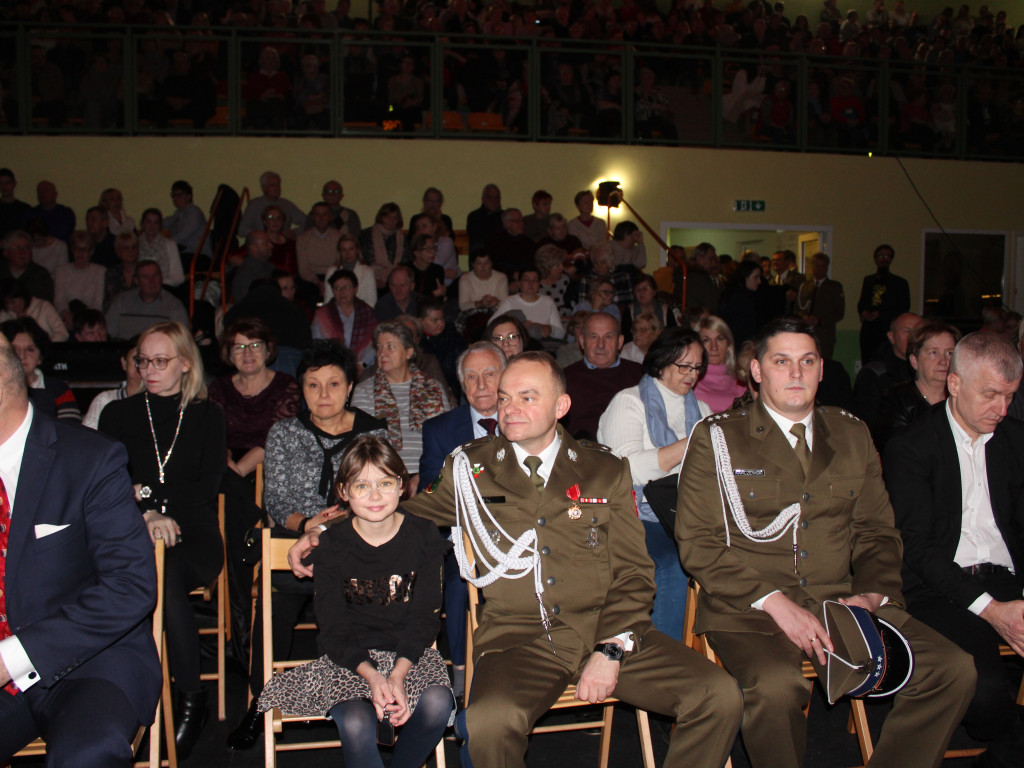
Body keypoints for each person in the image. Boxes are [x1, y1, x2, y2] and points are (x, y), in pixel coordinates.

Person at [290, 351, 744, 767]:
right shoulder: (471, 467)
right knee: (488, 721)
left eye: (527, 397)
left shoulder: (603, 469)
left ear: (560, 406)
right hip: (518, 638)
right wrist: (323, 532)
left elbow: (634, 574)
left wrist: (610, 649)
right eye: (505, 397)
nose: (509, 408)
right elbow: (404, 512)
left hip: (606, 629)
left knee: (718, 695)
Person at [676, 316, 976, 768]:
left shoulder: (851, 434)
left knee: (953, 670)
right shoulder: (718, 438)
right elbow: (698, 544)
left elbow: (877, 531)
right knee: (777, 687)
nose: (795, 373)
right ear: (757, 371)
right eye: (781, 361)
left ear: (821, 370)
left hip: (841, 601)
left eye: (807, 361)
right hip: (752, 608)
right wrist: (776, 603)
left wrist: (871, 595)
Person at [0, 329, 160, 767]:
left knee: (86, 755)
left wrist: (12, 656)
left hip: (90, 662)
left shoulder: (90, 458)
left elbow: (130, 586)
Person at [226, 340, 386, 750]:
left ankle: (361, 699)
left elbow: (381, 493)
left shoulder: (373, 431)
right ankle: (261, 703)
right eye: (313, 386)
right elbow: (275, 498)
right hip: (294, 539)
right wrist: (306, 525)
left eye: (334, 384)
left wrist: (331, 526)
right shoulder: (284, 432)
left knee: (363, 598)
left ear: (350, 386)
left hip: (357, 538)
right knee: (274, 610)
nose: (324, 394)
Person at [258, 434, 454, 768]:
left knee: (438, 703)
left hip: (409, 653)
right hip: (349, 658)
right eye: (361, 486)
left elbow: (425, 619)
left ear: (402, 486)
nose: (375, 495)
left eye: (385, 483)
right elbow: (333, 629)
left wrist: (397, 676)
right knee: (355, 721)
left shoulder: (423, 536)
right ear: (344, 492)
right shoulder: (331, 546)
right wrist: (376, 678)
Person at [884, 332, 1024, 767]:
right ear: (956, 383)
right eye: (991, 395)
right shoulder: (911, 447)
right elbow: (920, 550)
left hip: (1007, 579)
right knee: (983, 694)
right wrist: (993, 611)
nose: (1002, 409)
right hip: (939, 586)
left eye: (1011, 396)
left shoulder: (1017, 440)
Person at [98, 321, 226, 759]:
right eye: (142, 360)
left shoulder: (209, 416)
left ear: (185, 364)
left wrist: (147, 492)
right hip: (132, 531)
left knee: (166, 571)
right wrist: (145, 511)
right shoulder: (118, 414)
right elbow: (104, 486)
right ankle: (115, 695)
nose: (148, 369)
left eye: (160, 360)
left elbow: (205, 488)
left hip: (195, 533)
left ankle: (190, 697)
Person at [597, 327, 712, 641]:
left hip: (684, 513)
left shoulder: (701, 410)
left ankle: (708, 650)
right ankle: (664, 654)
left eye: (698, 367)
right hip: (634, 514)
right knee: (672, 562)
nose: (692, 374)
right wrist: (693, 442)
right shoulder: (629, 402)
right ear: (661, 362)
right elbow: (629, 468)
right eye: (683, 366)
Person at [419, 341, 507, 700]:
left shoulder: (526, 419)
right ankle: (460, 673)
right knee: (459, 578)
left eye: (489, 374)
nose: (482, 384)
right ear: (461, 385)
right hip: (465, 535)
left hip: (525, 535)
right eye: (472, 376)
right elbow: (431, 492)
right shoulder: (440, 430)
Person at [351, 322, 450, 494]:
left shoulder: (433, 388)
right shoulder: (364, 391)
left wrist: (422, 476)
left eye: (390, 347)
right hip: (382, 475)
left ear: (409, 352)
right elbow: (361, 445)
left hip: (429, 472)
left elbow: (447, 439)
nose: (383, 353)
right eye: (380, 347)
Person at [876, 321, 960, 449]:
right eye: (933, 353)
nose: (943, 361)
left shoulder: (962, 398)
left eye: (949, 353)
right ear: (914, 361)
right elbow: (896, 449)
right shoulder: (897, 399)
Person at [562, 312, 643, 440]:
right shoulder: (563, 379)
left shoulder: (640, 375)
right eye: (594, 337)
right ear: (582, 341)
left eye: (608, 337)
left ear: (620, 342)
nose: (601, 345)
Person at [853, 312, 923, 444]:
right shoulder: (875, 374)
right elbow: (865, 425)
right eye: (907, 331)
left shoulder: (931, 372)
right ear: (892, 337)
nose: (914, 337)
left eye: (919, 332)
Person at [1, 317, 79, 422]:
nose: (22, 356)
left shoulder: (58, 389)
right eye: (15, 350)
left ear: (40, 357)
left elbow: (70, 431)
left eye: (30, 350)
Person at [105, 260, 190, 340]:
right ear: (136, 281)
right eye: (145, 277)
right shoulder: (121, 301)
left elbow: (181, 340)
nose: (152, 281)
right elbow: (108, 334)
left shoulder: (174, 305)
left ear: (161, 278)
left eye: (155, 275)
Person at [857, 244, 911, 363]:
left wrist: (881, 314)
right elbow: (862, 303)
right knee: (868, 362)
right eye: (881, 256)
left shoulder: (899, 283)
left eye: (887, 256)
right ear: (875, 259)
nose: (884, 259)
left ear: (891, 259)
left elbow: (903, 308)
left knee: (887, 363)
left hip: (887, 331)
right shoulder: (869, 280)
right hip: (869, 331)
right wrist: (864, 313)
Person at [312, 268, 378, 365]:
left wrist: (361, 366)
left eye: (346, 287)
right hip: (331, 366)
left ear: (355, 289)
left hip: (364, 368)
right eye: (337, 288)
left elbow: (373, 347)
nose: (342, 292)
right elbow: (318, 346)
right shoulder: (322, 314)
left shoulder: (368, 314)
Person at [83, 337, 144, 429]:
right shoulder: (105, 400)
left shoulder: (161, 401)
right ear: (124, 363)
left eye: (146, 360)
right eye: (137, 359)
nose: (141, 365)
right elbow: (89, 437)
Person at [492, 267, 564, 341]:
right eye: (526, 279)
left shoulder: (548, 301)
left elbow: (561, 333)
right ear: (519, 283)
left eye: (535, 280)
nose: (531, 283)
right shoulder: (509, 302)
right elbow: (491, 325)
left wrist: (549, 329)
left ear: (539, 284)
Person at [797, 252, 845, 360]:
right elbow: (798, 308)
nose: (820, 268)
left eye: (823, 265)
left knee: (824, 365)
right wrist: (803, 318)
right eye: (817, 265)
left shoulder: (834, 287)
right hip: (806, 333)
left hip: (824, 335)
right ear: (812, 267)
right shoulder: (805, 286)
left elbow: (839, 313)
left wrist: (819, 320)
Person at [694, 315, 746, 413]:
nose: (714, 347)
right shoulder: (689, 379)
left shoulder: (741, 380)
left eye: (719, 339)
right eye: (706, 340)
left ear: (728, 345)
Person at [54, 230, 106, 327]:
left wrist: (82, 320)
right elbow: (59, 300)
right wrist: (67, 315)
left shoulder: (100, 271)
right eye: (77, 248)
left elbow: (98, 303)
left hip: (90, 320)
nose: (80, 253)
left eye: (84, 249)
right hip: (66, 320)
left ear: (91, 251)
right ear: (72, 249)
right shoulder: (61, 271)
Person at [238, 171, 306, 238]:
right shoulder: (255, 205)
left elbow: (308, 222)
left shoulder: (287, 205)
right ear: (264, 188)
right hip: (261, 245)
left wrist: (294, 232)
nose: (276, 188)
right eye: (272, 185)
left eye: (278, 185)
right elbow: (242, 230)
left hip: (282, 244)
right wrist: (263, 235)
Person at [1, 230, 54, 305]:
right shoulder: (2, 272)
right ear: (6, 253)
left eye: (26, 248)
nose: (22, 252)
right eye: (16, 248)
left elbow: (45, 305)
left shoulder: (41, 274)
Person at [164, 180, 212, 261]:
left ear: (189, 196)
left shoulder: (194, 212)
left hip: (198, 255)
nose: (175, 198)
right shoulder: (177, 215)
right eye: (173, 195)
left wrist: (164, 244)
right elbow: (161, 224)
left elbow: (183, 235)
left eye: (179, 195)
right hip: (185, 254)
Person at [360, 203, 404, 290]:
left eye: (395, 218)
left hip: (395, 279)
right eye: (387, 217)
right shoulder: (366, 234)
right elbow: (363, 261)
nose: (391, 221)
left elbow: (404, 262)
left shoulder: (401, 237)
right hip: (370, 277)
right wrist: (375, 279)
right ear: (381, 217)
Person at [137, 208, 186, 289]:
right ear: (142, 224)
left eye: (156, 222)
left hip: (164, 287)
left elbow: (179, 277)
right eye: (148, 221)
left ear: (160, 226)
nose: (151, 226)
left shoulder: (170, 245)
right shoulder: (135, 245)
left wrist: (157, 282)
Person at [466, 184, 503, 255]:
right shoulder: (474, 216)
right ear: (483, 199)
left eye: (497, 197)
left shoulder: (504, 216)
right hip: (482, 257)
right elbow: (477, 239)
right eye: (490, 197)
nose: (494, 200)